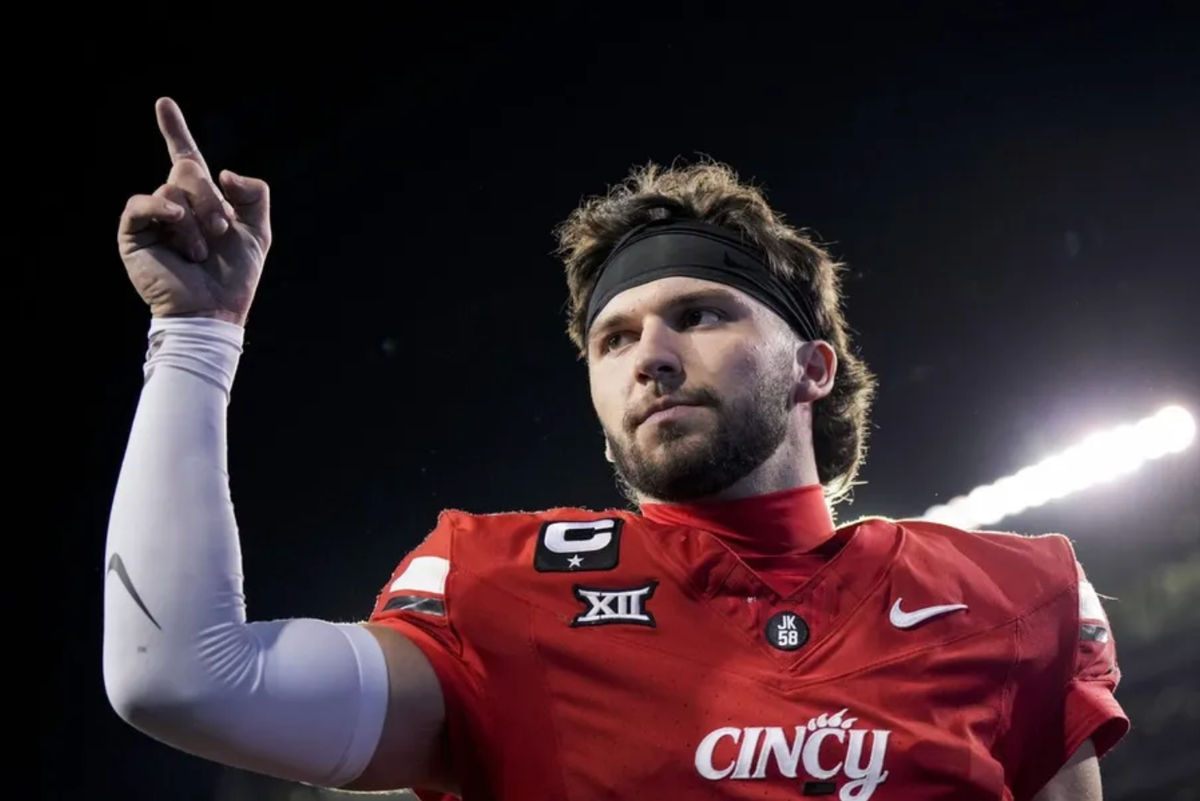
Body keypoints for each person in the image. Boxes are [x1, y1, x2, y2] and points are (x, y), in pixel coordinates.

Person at [104, 97, 1128, 801]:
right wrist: (196, 336)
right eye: (614, 339)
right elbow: (182, 681)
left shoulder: (1010, 593)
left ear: (812, 367)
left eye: (700, 314)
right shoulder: (501, 589)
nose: (652, 358)